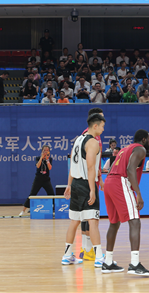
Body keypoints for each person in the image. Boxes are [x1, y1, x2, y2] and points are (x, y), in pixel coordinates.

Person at [102, 129, 149, 276]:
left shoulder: (124, 149)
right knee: (135, 220)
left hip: (109, 181)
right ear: (143, 139)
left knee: (114, 222)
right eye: (148, 139)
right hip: (120, 181)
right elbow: (130, 169)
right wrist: (138, 193)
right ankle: (135, 264)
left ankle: (108, 262)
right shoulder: (140, 149)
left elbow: (112, 167)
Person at [62, 113, 106, 267]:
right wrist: (92, 189)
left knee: (74, 221)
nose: (103, 129)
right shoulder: (93, 142)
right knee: (93, 221)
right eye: (102, 126)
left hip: (75, 184)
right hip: (86, 184)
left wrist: (69, 184)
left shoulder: (78, 140)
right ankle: (99, 257)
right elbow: (90, 167)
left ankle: (67, 255)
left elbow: (72, 166)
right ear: (95, 125)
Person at [19, 145, 54, 216]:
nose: (45, 152)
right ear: (42, 151)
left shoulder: (49, 159)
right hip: (38, 179)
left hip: (46, 179)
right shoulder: (37, 158)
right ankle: (23, 210)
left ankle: (54, 209)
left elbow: (50, 168)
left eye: (47, 150)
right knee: (32, 194)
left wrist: (47, 159)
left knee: (51, 194)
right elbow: (38, 166)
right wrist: (42, 157)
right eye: (44, 150)